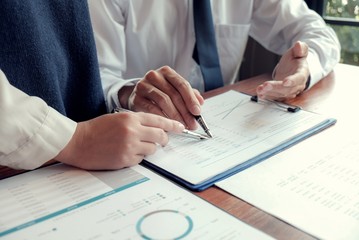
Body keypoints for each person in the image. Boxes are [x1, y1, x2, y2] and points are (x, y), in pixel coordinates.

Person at [88, 0, 341, 129]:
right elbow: (96, 74)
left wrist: (303, 67)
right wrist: (130, 93)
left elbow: (319, 33)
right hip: (144, 136)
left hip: (226, 133)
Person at [0, 1, 186, 171]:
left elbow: (70, 61)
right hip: (19, 174)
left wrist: (125, 95)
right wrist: (77, 140)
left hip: (79, 167)